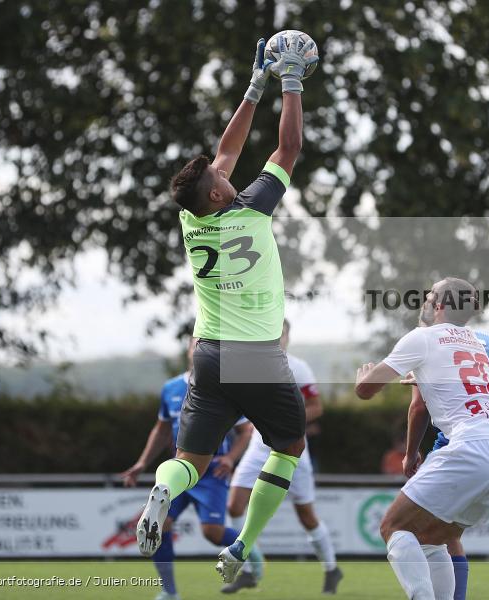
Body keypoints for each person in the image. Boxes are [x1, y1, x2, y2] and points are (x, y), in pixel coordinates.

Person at [136, 33, 319, 587]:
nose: (226, 171)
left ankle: (163, 488)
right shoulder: (252, 209)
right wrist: (291, 83)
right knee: (289, 448)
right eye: (220, 178)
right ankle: (243, 545)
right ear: (218, 195)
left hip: (208, 356)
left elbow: (227, 152)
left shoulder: (194, 220)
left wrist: (253, 88)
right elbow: (286, 150)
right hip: (256, 356)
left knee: (188, 460)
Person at [355, 277, 489, 600]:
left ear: (441, 306)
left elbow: (366, 391)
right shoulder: (476, 343)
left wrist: (364, 376)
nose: (426, 300)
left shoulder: (423, 338)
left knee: (393, 527)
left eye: (431, 295)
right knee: (432, 539)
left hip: (472, 448)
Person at [402, 330, 489, 600]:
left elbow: (418, 408)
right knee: (447, 534)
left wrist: (411, 453)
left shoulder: (429, 342)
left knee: (402, 527)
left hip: (458, 444)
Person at [121, 339, 250, 600]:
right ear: (189, 351)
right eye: (197, 346)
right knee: (162, 524)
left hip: (213, 471)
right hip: (179, 470)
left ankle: (250, 548)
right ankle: (170, 592)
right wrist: (142, 463)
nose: (200, 351)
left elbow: (246, 430)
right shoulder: (171, 389)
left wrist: (231, 458)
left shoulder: (226, 388)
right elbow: (161, 429)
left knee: (212, 533)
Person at [222, 319, 342, 594]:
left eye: (282, 333)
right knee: (234, 506)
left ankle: (331, 568)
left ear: (288, 337)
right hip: (258, 446)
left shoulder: (298, 368)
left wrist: (288, 420)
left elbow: (316, 407)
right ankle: (250, 568)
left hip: (291, 448)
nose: (276, 338)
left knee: (307, 516)